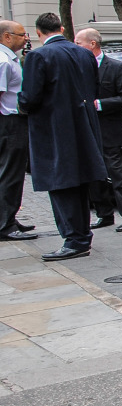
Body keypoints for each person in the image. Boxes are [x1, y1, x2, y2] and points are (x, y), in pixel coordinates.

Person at [19, 13, 106, 260]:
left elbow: (30, 97)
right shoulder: (85, 54)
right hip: (84, 125)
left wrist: (21, 106)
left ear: (38, 32)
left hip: (54, 128)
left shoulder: (37, 55)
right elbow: (94, 88)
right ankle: (81, 236)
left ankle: (74, 239)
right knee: (79, 182)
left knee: (60, 183)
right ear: (62, 28)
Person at [74, 28, 122, 232]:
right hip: (86, 129)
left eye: (78, 43)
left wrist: (99, 104)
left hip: (109, 129)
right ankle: (104, 214)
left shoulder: (117, 67)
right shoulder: (77, 67)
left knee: (116, 173)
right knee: (94, 174)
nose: (75, 46)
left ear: (92, 44)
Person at [0, 21, 36, 241]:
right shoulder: (3, 62)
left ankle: (9, 218)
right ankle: (5, 224)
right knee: (10, 174)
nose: (26, 38)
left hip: (12, 122)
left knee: (12, 173)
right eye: (22, 35)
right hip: (9, 123)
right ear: (6, 37)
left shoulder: (9, 59)